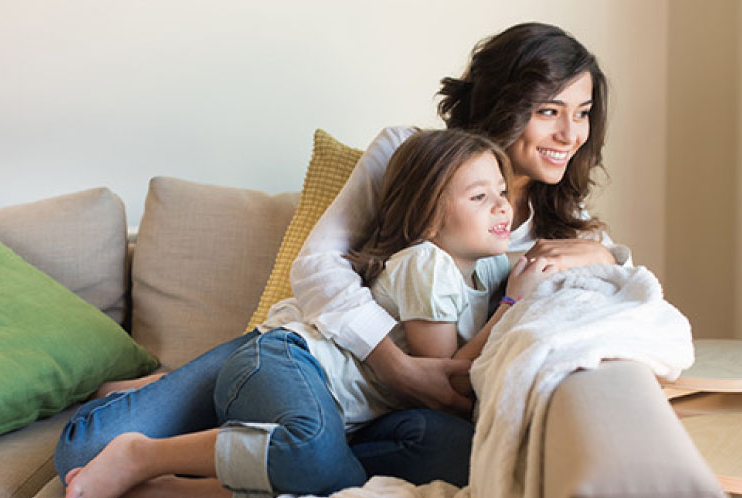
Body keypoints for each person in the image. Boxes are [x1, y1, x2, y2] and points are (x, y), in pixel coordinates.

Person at [53, 21, 630, 497]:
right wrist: (394, 364)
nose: (570, 133)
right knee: (80, 452)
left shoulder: (553, 230)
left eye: (582, 113)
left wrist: (601, 249)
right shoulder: (407, 157)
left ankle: (274, 450)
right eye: (550, 111)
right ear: (503, 102)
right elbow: (318, 267)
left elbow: (615, 286)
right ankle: (205, 417)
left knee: (460, 460)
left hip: (389, 410)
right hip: (318, 358)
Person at [60, 129, 560, 498]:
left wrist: (576, 261)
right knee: (307, 451)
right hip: (287, 359)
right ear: (430, 214)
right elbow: (446, 378)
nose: (502, 209)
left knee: (425, 460)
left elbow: (550, 259)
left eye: (502, 194)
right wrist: (513, 304)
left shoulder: (485, 261)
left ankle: (175, 482)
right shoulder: (427, 261)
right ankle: (141, 452)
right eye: (481, 197)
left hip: (346, 410)